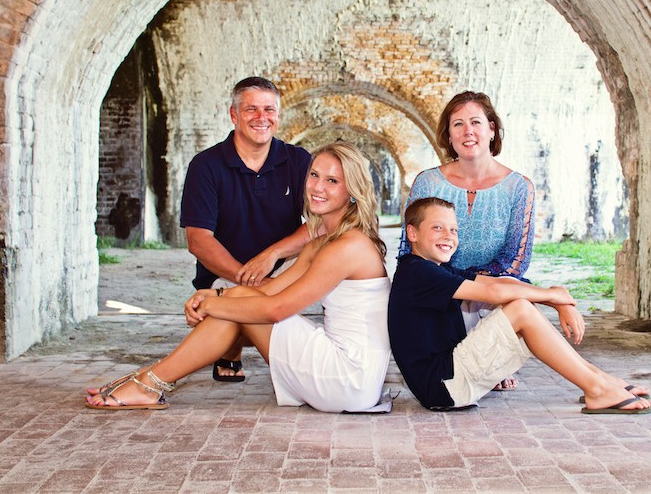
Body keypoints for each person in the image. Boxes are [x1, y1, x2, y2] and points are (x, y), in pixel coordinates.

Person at [86, 143, 391, 413]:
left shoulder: (348, 246)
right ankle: (150, 379)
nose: (317, 187)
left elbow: (276, 310)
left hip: (348, 378)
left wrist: (211, 305)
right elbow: (272, 288)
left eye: (332, 181)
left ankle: (149, 381)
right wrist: (215, 296)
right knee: (233, 295)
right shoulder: (323, 241)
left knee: (237, 309)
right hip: (344, 370)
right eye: (314, 175)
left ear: (352, 191)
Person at [389, 197, 651, 415]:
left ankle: (601, 381)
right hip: (443, 386)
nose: (449, 236)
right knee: (521, 310)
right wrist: (553, 296)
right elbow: (493, 291)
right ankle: (596, 388)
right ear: (412, 233)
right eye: (437, 228)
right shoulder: (417, 273)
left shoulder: (436, 268)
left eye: (454, 230)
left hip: (449, 380)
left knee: (522, 303)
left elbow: (499, 282)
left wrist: (553, 298)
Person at [398, 90, 534, 390]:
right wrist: (454, 285)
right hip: (443, 291)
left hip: (491, 292)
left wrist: (478, 287)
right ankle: (482, 362)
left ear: (491, 130)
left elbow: (516, 258)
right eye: (457, 124)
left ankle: (493, 358)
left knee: (521, 292)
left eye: (475, 122)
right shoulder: (428, 182)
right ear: (448, 134)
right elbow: (412, 248)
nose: (467, 131)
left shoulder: (519, 187)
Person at [180, 77, 312, 381]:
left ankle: (243, 349)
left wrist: (273, 255)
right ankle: (235, 350)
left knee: (245, 305)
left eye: (269, 109)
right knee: (236, 301)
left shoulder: (298, 161)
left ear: (278, 116)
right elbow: (198, 240)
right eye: (251, 109)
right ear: (234, 115)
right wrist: (247, 280)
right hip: (224, 272)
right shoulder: (206, 165)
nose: (261, 117)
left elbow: (324, 223)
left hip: (282, 270)